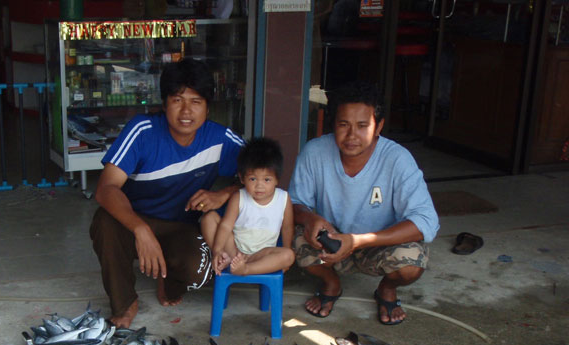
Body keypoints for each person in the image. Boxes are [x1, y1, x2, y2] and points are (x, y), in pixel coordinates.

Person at [90, 58, 245, 328]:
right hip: (136, 219)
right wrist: (140, 229)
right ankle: (125, 303)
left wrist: (224, 194)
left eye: (196, 101)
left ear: (208, 107)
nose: (186, 111)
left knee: (200, 273)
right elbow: (106, 189)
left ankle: (168, 277)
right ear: (164, 104)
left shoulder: (221, 138)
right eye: (177, 100)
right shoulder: (143, 131)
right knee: (104, 222)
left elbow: (261, 179)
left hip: (184, 226)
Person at [289, 80, 439, 325]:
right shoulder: (314, 151)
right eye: (343, 125)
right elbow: (294, 203)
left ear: (378, 126)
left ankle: (387, 289)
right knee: (292, 237)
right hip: (333, 244)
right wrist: (310, 218)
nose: (351, 136)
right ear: (333, 124)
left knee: (411, 263)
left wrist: (359, 241)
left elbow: (426, 222)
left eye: (362, 126)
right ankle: (331, 283)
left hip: (379, 245)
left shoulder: (397, 159)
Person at [201, 137, 295, 276]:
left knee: (288, 255)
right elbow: (226, 226)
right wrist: (218, 249)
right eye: (253, 179)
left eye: (267, 179)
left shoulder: (283, 199)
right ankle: (225, 258)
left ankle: (246, 269)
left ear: (277, 179)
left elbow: (287, 227)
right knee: (208, 218)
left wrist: (286, 251)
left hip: (263, 255)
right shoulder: (239, 197)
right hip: (235, 252)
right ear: (241, 178)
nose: (259, 185)